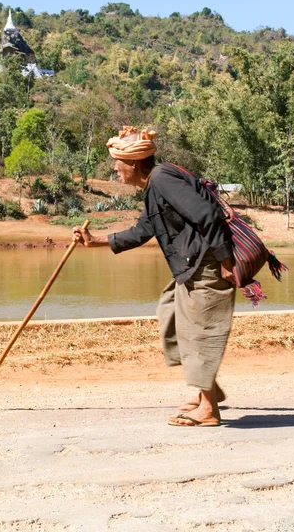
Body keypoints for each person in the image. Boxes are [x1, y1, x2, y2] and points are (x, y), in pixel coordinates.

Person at [73, 126, 236, 427]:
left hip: (208, 263)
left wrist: (226, 262)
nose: (115, 169)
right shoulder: (155, 185)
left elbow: (207, 215)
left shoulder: (162, 179)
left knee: (198, 332)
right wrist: (94, 240)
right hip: (192, 266)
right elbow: (142, 230)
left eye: (117, 163)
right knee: (171, 314)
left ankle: (209, 409)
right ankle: (206, 391)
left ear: (133, 164)